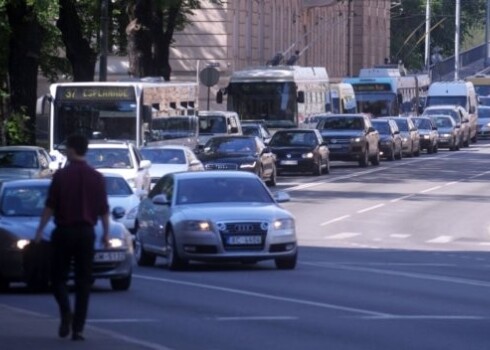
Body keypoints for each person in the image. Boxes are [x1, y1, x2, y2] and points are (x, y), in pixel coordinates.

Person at [34, 134, 110, 341]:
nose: (66, 151)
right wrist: (106, 234)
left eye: (67, 148)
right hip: (87, 234)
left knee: (57, 277)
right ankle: (78, 329)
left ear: (72, 149)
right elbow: (104, 210)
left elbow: (50, 205)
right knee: (83, 282)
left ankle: (66, 311)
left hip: (64, 232)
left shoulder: (61, 176)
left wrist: (40, 231)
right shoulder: (97, 177)